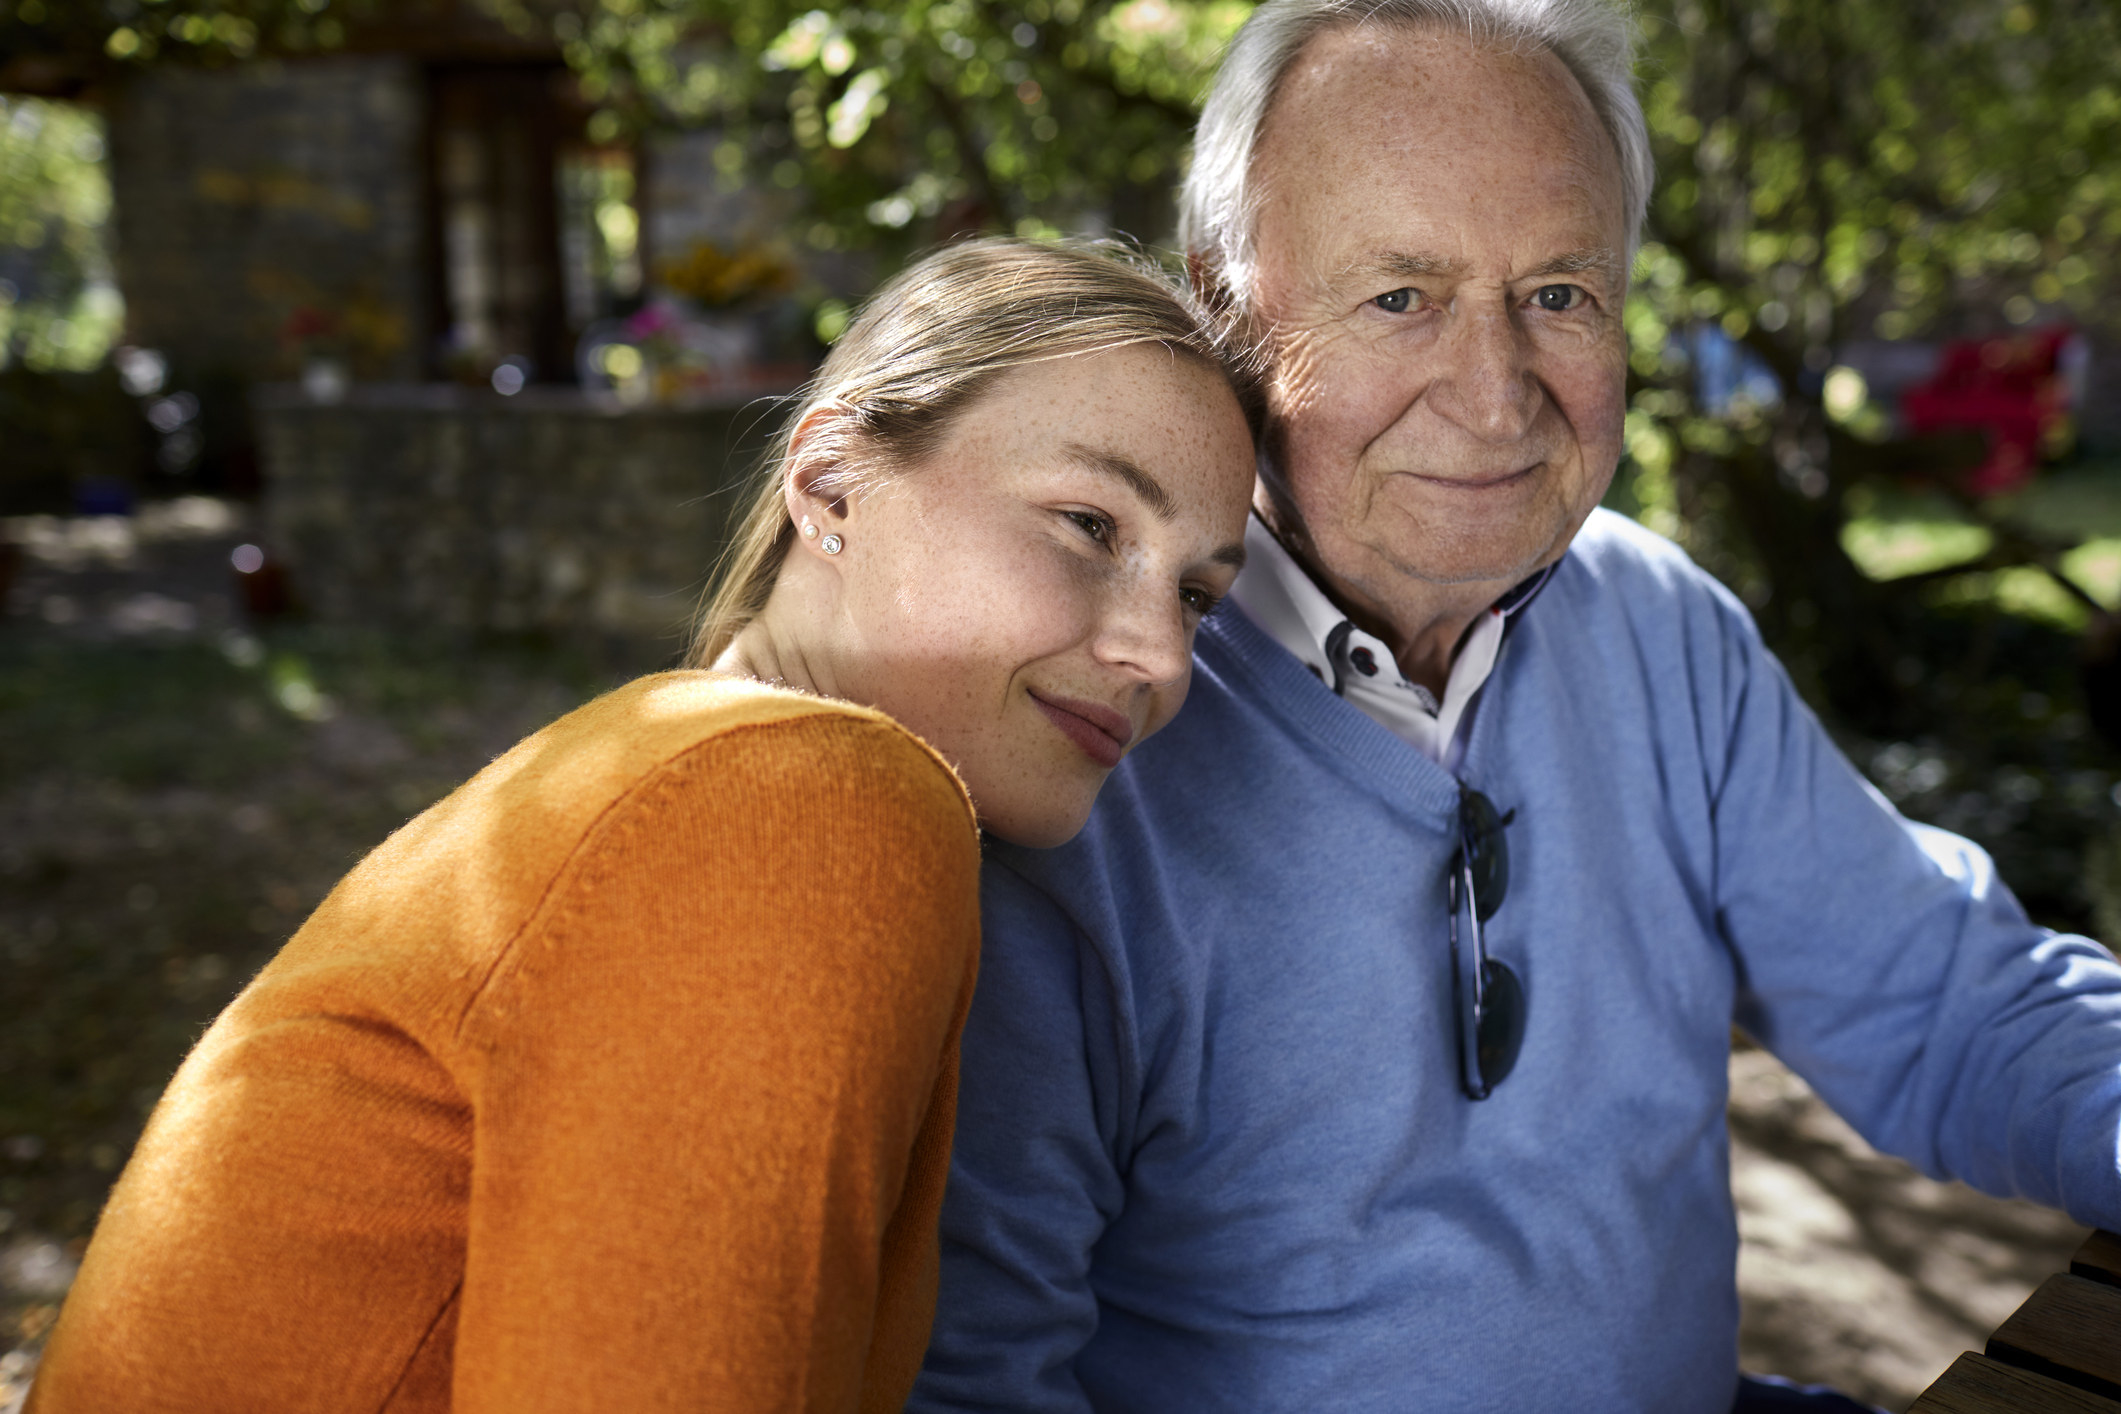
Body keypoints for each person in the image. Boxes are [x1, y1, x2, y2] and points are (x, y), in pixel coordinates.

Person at [912, 6, 2121, 1413]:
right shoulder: (1068, 746)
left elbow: (1951, 1002)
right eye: (1399, 296)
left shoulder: (1655, 625)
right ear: (1225, 309)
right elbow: (976, 1378)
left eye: (1558, 292)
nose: (1495, 402)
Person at [25, 237, 1258, 1414]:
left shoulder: (684, 760)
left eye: (1199, 594)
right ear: (831, 485)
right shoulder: (800, 804)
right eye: (1090, 525)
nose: (1156, 654)